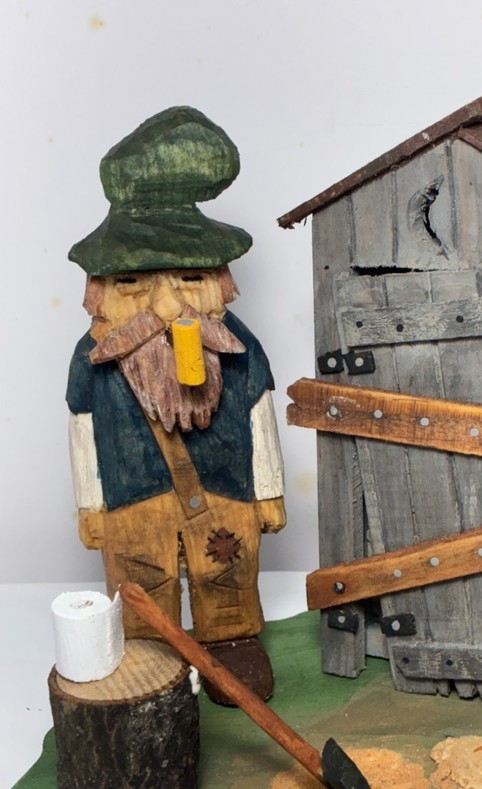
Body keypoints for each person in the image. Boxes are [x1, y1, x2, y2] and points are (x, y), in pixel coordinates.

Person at [65, 106, 285, 702]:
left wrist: (268, 491)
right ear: (99, 292)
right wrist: (91, 504)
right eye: (135, 283)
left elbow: (259, 415)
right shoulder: (93, 357)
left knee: (226, 569)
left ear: (220, 281)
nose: (165, 305)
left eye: (187, 280)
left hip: (227, 490)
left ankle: (230, 643)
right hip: (131, 501)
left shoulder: (237, 345)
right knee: (142, 577)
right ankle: (150, 654)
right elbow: (83, 430)